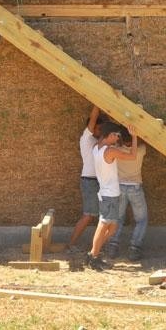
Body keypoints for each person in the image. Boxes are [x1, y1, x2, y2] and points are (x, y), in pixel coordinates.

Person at [86, 122, 139, 271]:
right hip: (109, 194)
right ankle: (93, 256)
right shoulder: (109, 151)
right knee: (103, 225)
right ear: (110, 135)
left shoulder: (96, 147)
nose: (118, 138)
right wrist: (134, 137)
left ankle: (94, 253)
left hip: (107, 193)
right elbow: (133, 155)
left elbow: (104, 135)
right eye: (116, 135)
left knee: (113, 227)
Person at [103, 127, 148, 261]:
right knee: (141, 219)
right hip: (135, 188)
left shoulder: (116, 151)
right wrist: (135, 135)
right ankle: (134, 248)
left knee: (118, 219)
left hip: (120, 187)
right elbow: (143, 142)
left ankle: (112, 246)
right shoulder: (140, 150)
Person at [66, 106, 107, 251]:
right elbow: (93, 119)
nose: (100, 131)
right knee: (88, 216)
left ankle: (96, 247)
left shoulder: (98, 141)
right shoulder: (86, 137)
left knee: (101, 216)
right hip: (89, 181)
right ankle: (71, 245)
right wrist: (97, 104)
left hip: (97, 181)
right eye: (98, 128)